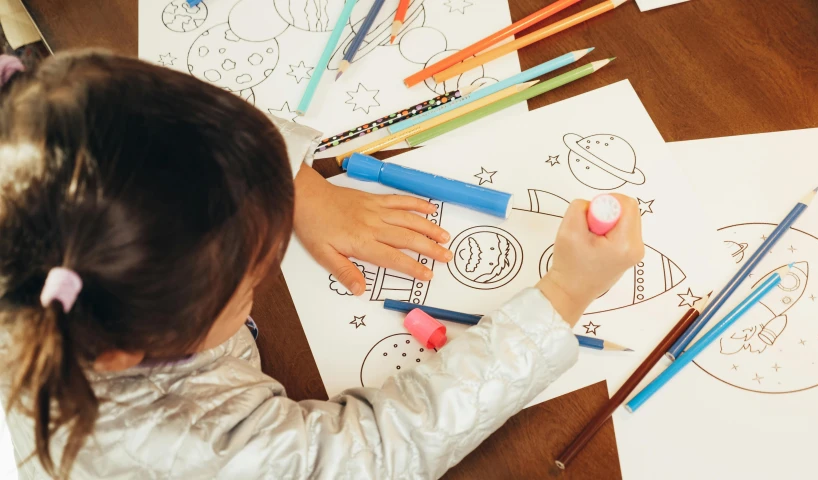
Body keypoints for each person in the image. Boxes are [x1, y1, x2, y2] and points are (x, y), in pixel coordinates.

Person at [0, 51, 644, 479]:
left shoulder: (28, 134)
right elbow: (379, 453)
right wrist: (559, 299)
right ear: (129, 347)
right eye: (252, 276)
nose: (271, 266)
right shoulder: (194, 449)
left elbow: (167, 130)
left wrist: (299, 188)